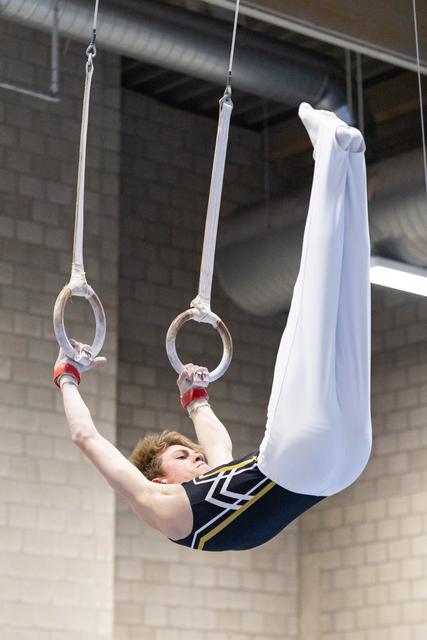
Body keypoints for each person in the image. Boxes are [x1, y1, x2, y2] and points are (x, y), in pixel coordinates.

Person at [54, 103, 372, 552]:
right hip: (318, 461)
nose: (198, 455)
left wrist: (196, 400)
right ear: (159, 477)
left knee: (339, 306)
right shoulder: (159, 500)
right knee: (323, 306)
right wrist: (66, 377)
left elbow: (217, 444)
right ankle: (334, 157)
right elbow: (85, 437)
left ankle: (345, 154)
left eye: (190, 452)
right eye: (184, 456)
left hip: (324, 467)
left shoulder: (215, 481)